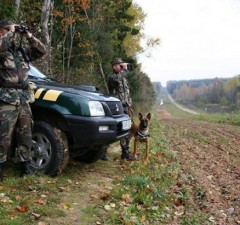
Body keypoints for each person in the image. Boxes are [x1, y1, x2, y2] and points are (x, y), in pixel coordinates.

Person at [0, 19, 46, 181]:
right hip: (6, 97)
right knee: (3, 134)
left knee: (25, 133)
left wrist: (28, 35)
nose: (11, 31)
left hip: (23, 98)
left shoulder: (21, 52)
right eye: (6, 29)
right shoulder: (2, 48)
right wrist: (11, 31)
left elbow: (41, 51)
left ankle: (24, 163)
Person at [101, 58, 132, 160]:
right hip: (115, 107)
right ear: (114, 66)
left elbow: (126, 92)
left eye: (122, 65)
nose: (122, 66)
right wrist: (125, 69)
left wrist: (129, 102)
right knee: (112, 129)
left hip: (124, 106)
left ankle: (125, 152)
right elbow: (119, 78)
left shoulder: (123, 77)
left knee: (126, 128)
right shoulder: (112, 77)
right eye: (120, 65)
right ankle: (103, 152)